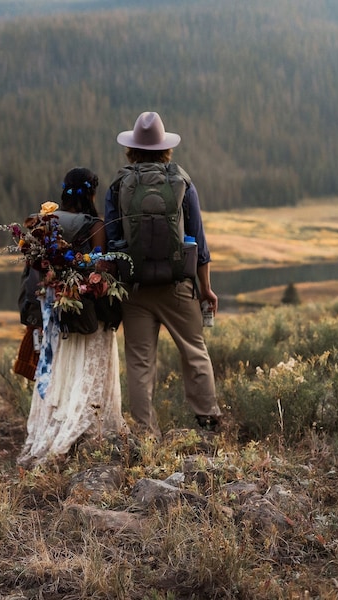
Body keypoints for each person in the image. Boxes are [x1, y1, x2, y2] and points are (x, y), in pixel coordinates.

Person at [104, 111, 222, 436]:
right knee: (194, 351)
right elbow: (198, 240)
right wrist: (206, 288)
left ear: (132, 149)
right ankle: (207, 422)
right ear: (165, 148)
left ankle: (145, 432)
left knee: (140, 363)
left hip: (135, 289)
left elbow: (113, 244)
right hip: (178, 287)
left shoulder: (118, 186)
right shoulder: (181, 182)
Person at [17, 167, 128, 468]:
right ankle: (86, 433)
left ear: (64, 192)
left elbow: (33, 273)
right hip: (88, 316)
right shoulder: (96, 225)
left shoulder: (44, 222)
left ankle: (52, 428)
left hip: (54, 318)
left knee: (58, 374)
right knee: (86, 373)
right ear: (92, 193)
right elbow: (101, 268)